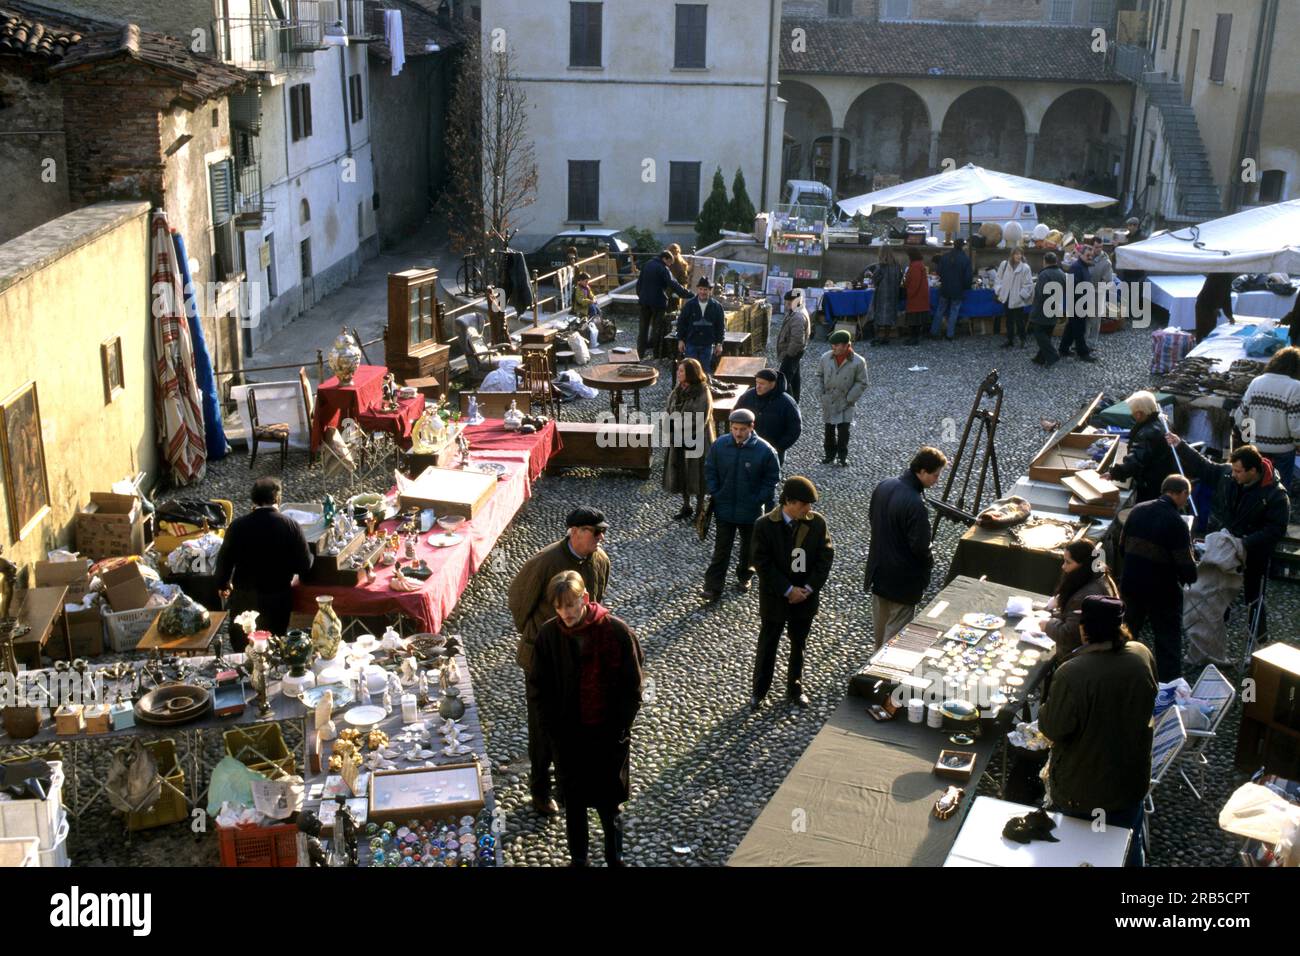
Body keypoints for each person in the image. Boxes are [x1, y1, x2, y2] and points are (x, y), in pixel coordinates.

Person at [527, 571, 644, 867]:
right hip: (568, 739)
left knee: (609, 806)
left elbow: (633, 686)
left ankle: (614, 859)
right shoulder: (549, 636)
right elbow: (539, 689)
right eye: (559, 607)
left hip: (607, 737)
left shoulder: (616, 632)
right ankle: (579, 859)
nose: (565, 613)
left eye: (570, 605)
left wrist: (620, 728)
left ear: (585, 599)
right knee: (575, 804)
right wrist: (553, 735)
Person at [1037, 595, 1158, 868]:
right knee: (1127, 846)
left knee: (1080, 854)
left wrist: (1048, 703)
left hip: (1085, 788)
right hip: (1130, 780)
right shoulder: (1141, 655)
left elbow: (1053, 727)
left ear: (1085, 629)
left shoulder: (1073, 673)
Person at [508, 507, 612, 816]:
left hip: (580, 659)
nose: (601, 537)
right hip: (544, 660)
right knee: (543, 727)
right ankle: (540, 790)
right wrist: (537, 636)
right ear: (575, 532)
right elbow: (518, 600)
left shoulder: (600, 560)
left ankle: (568, 784)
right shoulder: (545, 562)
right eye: (596, 532)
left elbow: (597, 600)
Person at [1166, 435, 1290, 641]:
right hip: (1224, 547)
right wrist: (1180, 445)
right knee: (1217, 591)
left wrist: (1245, 543)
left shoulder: (1276, 496)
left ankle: (1258, 642)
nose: (1233, 475)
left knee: (1254, 597)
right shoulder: (1227, 475)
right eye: (1233, 469)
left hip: (1253, 553)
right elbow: (1204, 466)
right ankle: (1215, 636)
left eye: (1238, 471)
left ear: (1253, 471)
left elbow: (1275, 530)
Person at [750, 476, 834, 710]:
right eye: (804, 504)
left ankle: (795, 687)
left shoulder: (816, 524)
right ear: (789, 502)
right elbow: (762, 563)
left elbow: (825, 557)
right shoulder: (764, 525)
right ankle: (759, 690)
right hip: (775, 599)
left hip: (804, 599)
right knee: (768, 644)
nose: (809, 509)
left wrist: (807, 588)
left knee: (799, 644)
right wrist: (787, 589)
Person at [215, 477, 313, 651]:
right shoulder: (291, 526)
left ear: (253, 499)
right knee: (274, 646)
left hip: (245, 599)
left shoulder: (237, 526)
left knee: (244, 648)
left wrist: (223, 584)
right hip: (277, 599)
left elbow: (224, 561)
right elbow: (303, 565)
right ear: (278, 498)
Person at [864, 447, 948, 647]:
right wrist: (929, 563)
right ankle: (883, 677)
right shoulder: (916, 504)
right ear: (922, 472)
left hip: (879, 573)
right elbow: (920, 547)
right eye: (935, 475)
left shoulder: (884, 485)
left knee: (880, 633)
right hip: (903, 582)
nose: (937, 480)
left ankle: (869, 674)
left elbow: (872, 519)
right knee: (894, 641)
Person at [1120, 475, 1198, 680]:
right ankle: (1168, 685)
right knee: (1167, 641)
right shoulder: (1177, 522)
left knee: (1126, 634)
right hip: (1162, 592)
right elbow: (1186, 567)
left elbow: (1122, 547)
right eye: (1186, 496)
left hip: (1131, 584)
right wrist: (1191, 574)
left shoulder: (1137, 510)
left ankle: (1119, 674)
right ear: (1181, 493)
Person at [702, 408, 780, 602]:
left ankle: (745, 576)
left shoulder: (765, 450)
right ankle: (713, 587)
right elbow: (710, 469)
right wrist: (716, 492)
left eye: (742, 429)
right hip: (725, 508)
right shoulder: (720, 445)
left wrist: (757, 499)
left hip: (750, 510)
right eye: (735, 428)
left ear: (751, 428)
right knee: (721, 549)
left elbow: (772, 480)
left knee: (748, 548)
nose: (738, 433)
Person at [1233, 346, 1300, 494]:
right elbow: (1295, 427)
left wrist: (1249, 440)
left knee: (1253, 491)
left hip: (1256, 449)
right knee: (1278, 494)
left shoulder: (1257, 382)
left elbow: (1241, 416)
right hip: (1283, 452)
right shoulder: (1295, 387)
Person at [1040, 540, 1119, 660]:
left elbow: (1070, 635)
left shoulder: (1084, 596)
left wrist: (1047, 625)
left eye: (1068, 562)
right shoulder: (1100, 576)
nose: (1063, 566)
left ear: (1084, 565)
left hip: (1082, 658)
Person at [1102, 390, 1177, 503]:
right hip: (1163, 477)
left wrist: (1113, 473)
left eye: (1133, 411)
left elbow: (1136, 460)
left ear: (1139, 413)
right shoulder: (1161, 422)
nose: (1132, 414)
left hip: (1151, 483)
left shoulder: (1147, 433)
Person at [663, 358, 715, 521]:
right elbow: (668, 407)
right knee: (681, 471)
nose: (678, 373)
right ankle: (686, 506)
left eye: (681, 371)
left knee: (697, 473)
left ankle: (700, 508)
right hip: (678, 437)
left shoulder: (702, 391)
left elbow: (700, 418)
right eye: (678, 370)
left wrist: (676, 425)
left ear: (691, 373)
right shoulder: (679, 389)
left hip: (697, 438)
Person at [816, 329, 869, 466]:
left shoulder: (858, 362)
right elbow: (819, 376)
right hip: (829, 399)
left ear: (847, 345)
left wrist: (850, 398)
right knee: (828, 429)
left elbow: (862, 382)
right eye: (832, 345)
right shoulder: (825, 358)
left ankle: (842, 456)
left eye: (837, 345)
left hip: (846, 401)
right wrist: (821, 392)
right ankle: (829, 455)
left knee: (844, 430)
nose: (834, 348)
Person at [736, 369, 802, 468]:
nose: (758, 386)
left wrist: (778, 447)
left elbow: (795, 429)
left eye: (762, 383)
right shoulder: (748, 396)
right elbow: (736, 416)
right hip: (748, 449)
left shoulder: (787, 403)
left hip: (774, 451)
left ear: (772, 384)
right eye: (757, 382)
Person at [636, 250, 692, 359]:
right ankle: (656, 354)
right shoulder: (663, 268)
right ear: (665, 259)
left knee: (643, 329)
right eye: (670, 263)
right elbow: (674, 284)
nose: (670, 265)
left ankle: (639, 353)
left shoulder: (647, 264)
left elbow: (639, 283)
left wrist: (641, 296)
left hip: (644, 302)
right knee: (657, 329)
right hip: (658, 303)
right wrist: (689, 294)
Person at [676, 277, 726, 371]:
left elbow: (720, 326)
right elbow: (681, 323)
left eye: (705, 289)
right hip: (691, 343)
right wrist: (680, 340)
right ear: (697, 289)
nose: (703, 292)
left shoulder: (717, 307)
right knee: (690, 370)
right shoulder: (689, 305)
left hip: (707, 344)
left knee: (705, 371)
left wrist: (719, 343)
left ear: (710, 290)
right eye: (701, 289)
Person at [1057, 245, 1097, 362]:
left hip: (1080, 303)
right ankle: (1082, 353)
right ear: (1081, 255)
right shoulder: (1076, 267)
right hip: (1076, 304)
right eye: (1088, 255)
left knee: (1071, 328)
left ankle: (1063, 349)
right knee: (1079, 329)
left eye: (1091, 255)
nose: (1090, 257)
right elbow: (1073, 287)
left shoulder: (1083, 266)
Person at [1028, 252, 1067, 367]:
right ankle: (1040, 358)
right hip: (1055, 307)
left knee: (1039, 333)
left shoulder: (1044, 275)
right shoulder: (1062, 273)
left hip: (1042, 309)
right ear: (1056, 261)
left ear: (1044, 261)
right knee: (1047, 334)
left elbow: (1040, 293)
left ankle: (1052, 355)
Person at [931, 238, 972, 339]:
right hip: (958, 289)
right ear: (963, 246)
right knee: (954, 311)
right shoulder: (965, 259)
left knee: (940, 310)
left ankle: (934, 332)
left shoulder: (945, 257)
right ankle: (950, 334)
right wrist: (966, 287)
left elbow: (939, 272)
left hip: (945, 288)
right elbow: (968, 277)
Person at [994, 246, 1033, 349]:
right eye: (1016, 254)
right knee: (1009, 320)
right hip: (1006, 297)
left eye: (1020, 254)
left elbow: (1028, 284)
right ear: (1012, 255)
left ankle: (1022, 339)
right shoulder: (1004, 264)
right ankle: (1010, 340)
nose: (1018, 256)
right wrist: (999, 290)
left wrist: (1021, 296)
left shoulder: (1025, 268)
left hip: (1017, 299)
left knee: (1020, 321)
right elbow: (998, 278)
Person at [776, 289, 811, 401]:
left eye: (788, 302)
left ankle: (785, 405)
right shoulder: (797, 312)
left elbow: (797, 340)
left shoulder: (798, 316)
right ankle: (795, 401)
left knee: (783, 382)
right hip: (794, 353)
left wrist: (788, 354)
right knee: (795, 380)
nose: (786, 305)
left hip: (791, 354)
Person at [868, 248, 903, 346]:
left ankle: (876, 337)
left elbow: (875, 279)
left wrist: (871, 276)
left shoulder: (881, 266)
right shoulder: (897, 266)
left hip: (882, 294)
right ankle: (886, 337)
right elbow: (900, 278)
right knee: (890, 315)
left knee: (878, 315)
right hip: (893, 293)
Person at [1086, 237, 1115, 352]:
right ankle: (1082, 341)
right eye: (1096, 247)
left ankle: (1092, 343)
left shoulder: (1106, 263)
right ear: (1091, 246)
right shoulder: (1087, 257)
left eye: (1100, 247)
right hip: (1084, 294)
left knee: (1095, 320)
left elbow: (1108, 281)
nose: (1098, 249)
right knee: (1085, 319)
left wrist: (1096, 290)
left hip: (1098, 295)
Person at [1194, 273, 1235, 343]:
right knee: (1206, 332)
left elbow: (1221, 295)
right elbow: (1225, 297)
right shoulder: (1225, 276)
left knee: (1202, 331)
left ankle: (1200, 345)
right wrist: (1229, 316)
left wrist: (1228, 315)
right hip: (1205, 304)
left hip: (1205, 303)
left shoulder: (1218, 274)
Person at [903, 247, 930, 346]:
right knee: (917, 320)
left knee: (914, 320)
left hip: (916, 297)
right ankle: (915, 338)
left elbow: (914, 283)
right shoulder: (919, 265)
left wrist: (908, 292)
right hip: (920, 296)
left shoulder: (915, 266)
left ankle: (913, 338)